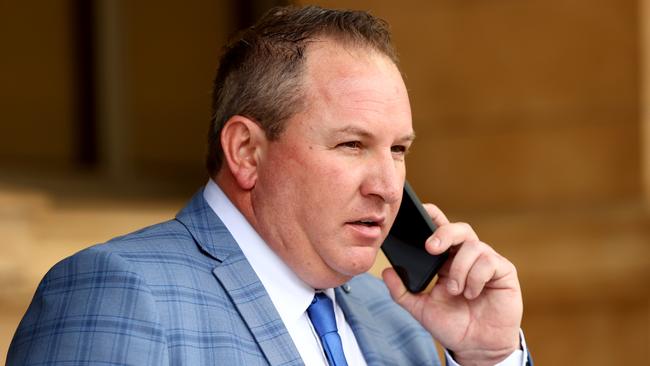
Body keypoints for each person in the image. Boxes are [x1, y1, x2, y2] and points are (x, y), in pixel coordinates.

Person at [8, 5, 531, 366]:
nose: (388, 186)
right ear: (246, 152)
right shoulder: (119, 293)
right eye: (352, 145)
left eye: (398, 150)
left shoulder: (398, 321)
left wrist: (490, 356)